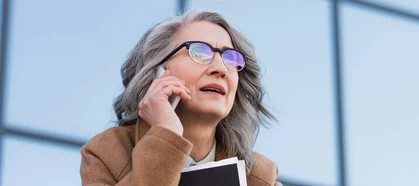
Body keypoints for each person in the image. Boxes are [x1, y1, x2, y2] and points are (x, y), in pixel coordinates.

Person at [79, 9, 281, 186]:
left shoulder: (259, 176)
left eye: (230, 58)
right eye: (200, 52)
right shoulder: (108, 152)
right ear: (159, 71)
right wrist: (167, 134)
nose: (220, 69)